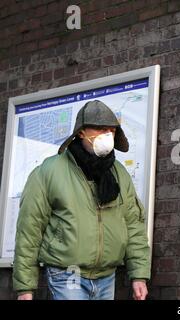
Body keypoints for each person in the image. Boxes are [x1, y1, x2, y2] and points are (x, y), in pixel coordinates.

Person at [13, 100, 150, 300]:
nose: (107, 135)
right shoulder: (49, 172)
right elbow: (29, 229)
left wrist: (139, 275)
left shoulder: (119, 174)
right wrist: (25, 287)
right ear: (81, 132)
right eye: (99, 129)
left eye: (111, 130)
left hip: (107, 276)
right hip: (67, 273)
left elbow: (133, 225)